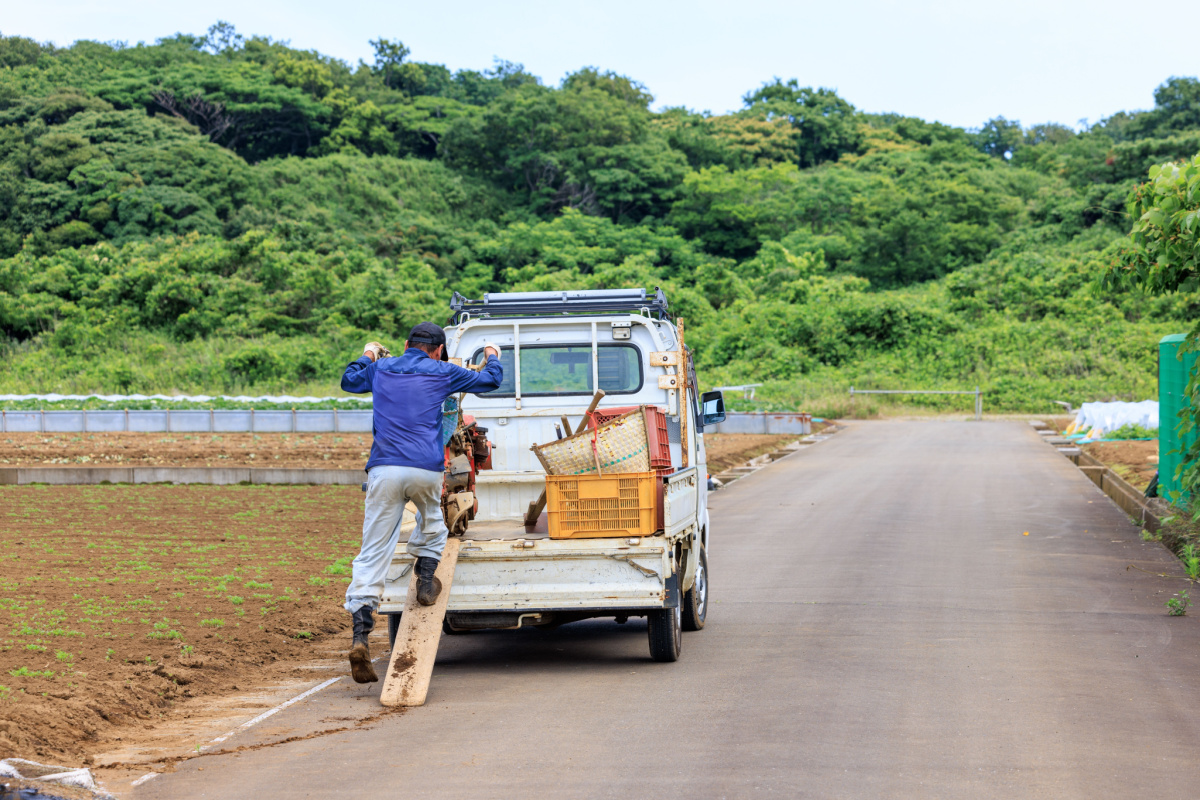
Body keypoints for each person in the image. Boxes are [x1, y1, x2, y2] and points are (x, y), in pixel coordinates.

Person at [339, 322, 502, 683]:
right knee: (433, 522)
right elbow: (491, 381)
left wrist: (368, 354)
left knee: (373, 551)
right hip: (425, 470)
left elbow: (349, 380)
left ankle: (360, 635)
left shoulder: (381, 368)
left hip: (384, 469)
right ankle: (425, 582)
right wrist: (492, 355)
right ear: (439, 350)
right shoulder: (443, 371)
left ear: (405, 344)